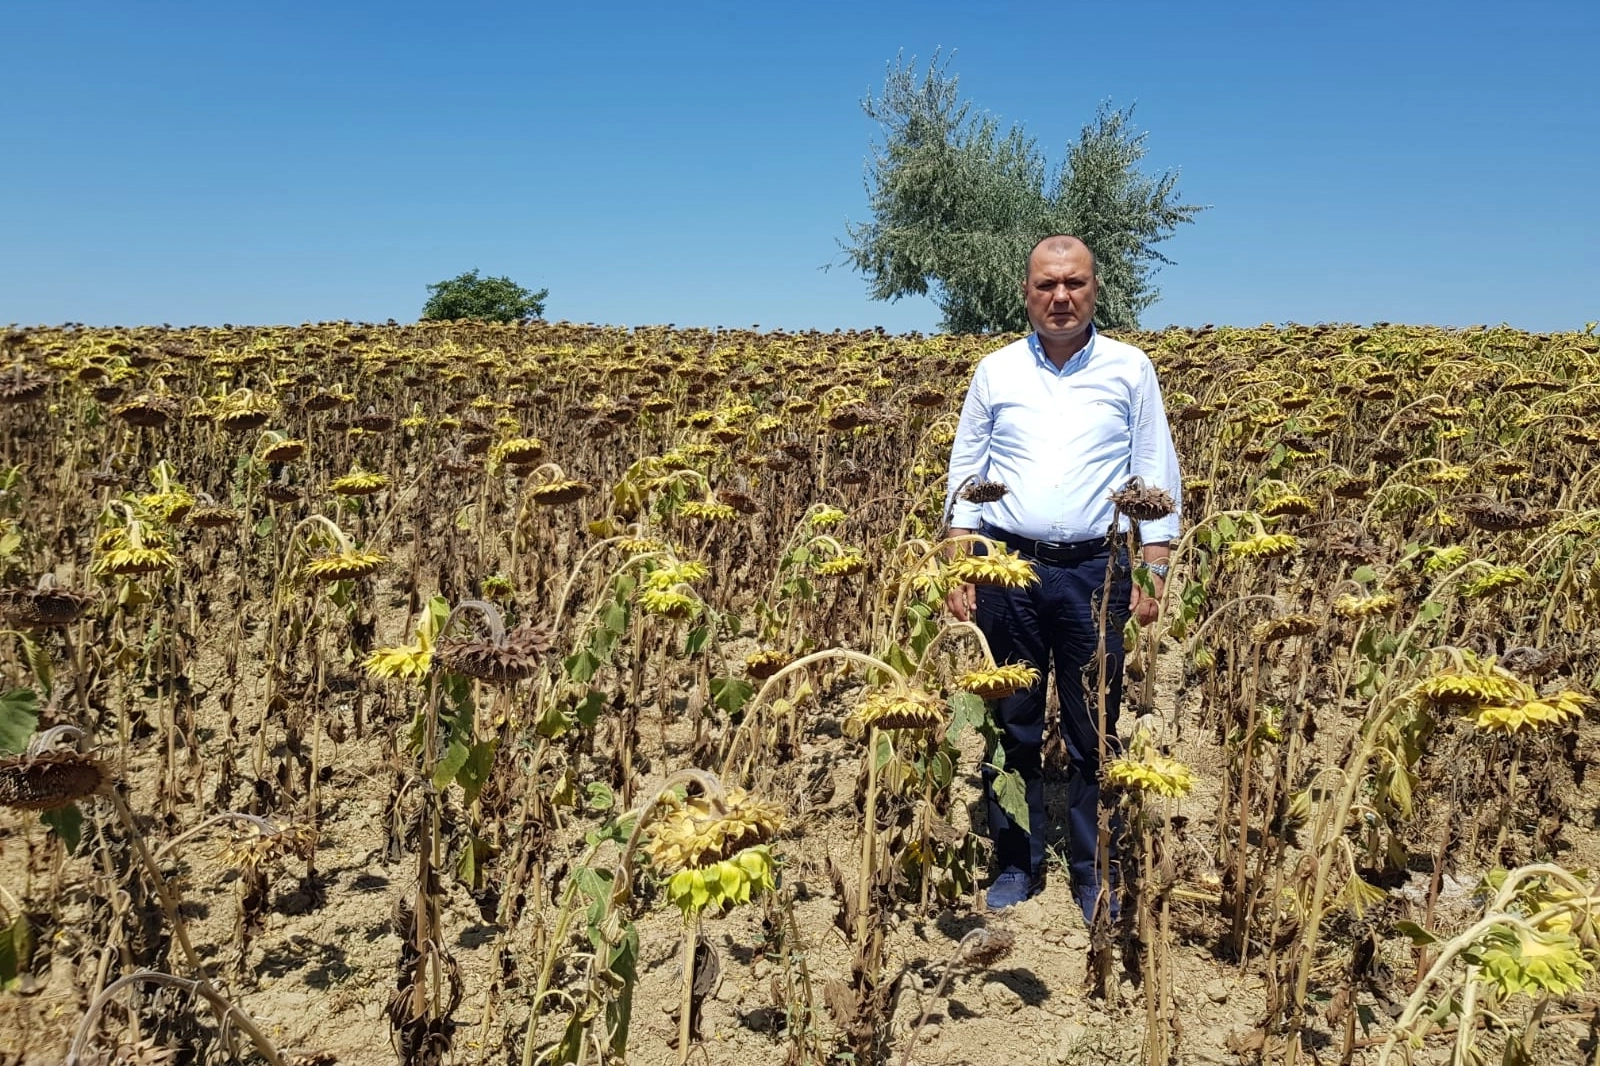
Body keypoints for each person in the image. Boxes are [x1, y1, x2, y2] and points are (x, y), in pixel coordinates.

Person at [944, 234, 1181, 919]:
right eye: (1047, 284)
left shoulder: (1129, 369)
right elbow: (967, 470)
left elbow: (1154, 467)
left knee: (1093, 723)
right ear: (1026, 292)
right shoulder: (996, 372)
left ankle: (1092, 870)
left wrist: (1153, 569)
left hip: (1096, 570)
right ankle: (1015, 863)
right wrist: (960, 564)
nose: (1060, 296)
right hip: (1007, 565)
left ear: (1094, 289)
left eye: (1074, 283)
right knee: (1012, 719)